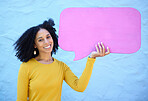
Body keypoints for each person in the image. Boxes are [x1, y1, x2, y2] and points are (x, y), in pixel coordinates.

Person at [13, 18, 110, 101]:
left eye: (48, 37)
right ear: (35, 45)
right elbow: (21, 99)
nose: (47, 42)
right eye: (40, 40)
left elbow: (79, 87)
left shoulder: (61, 66)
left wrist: (91, 58)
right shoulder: (26, 66)